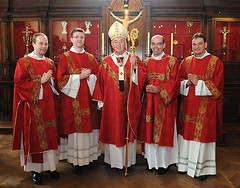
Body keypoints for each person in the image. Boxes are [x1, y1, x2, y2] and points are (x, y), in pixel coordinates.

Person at [92, 21, 146, 171]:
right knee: (113, 131)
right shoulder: (106, 62)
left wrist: (135, 67)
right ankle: (114, 162)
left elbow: (141, 81)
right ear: (111, 44)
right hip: (112, 107)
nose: (118, 44)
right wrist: (103, 104)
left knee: (127, 132)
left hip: (129, 105)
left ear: (126, 42)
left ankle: (128, 162)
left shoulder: (134, 59)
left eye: (121, 41)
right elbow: (100, 85)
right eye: (115, 41)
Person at [12, 33, 60, 185]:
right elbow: (19, 84)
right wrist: (40, 81)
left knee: (50, 137)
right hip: (33, 108)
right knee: (36, 139)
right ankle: (35, 171)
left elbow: (55, 81)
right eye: (40, 43)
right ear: (33, 44)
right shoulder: (23, 62)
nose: (43, 47)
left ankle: (51, 167)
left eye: (46, 44)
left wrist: (50, 80)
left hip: (49, 107)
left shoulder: (50, 62)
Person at [177, 33, 224, 180]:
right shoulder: (186, 61)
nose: (197, 47)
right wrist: (187, 83)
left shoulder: (215, 62)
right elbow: (178, 82)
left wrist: (199, 82)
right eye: (194, 44)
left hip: (206, 108)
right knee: (186, 136)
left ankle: (203, 170)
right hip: (188, 106)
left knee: (202, 138)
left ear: (205, 45)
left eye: (199, 44)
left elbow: (217, 87)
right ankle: (184, 165)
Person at [56, 28, 100, 175]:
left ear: (84, 39)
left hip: (88, 100)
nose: (79, 39)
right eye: (76, 37)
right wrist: (79, 77)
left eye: (82, 37)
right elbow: (60, 80)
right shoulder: (65, 57)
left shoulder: (90, 58)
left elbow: (98, 77)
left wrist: (90, 78)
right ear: (71, 39)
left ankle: (90, 158)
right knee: (77, 131)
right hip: (73, 101)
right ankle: (77, 161)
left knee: (90, 129)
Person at [138, 35, 179, 175]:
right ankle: (151, 162)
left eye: (159, 44)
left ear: (164, 45)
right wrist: (144, 88)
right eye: (153, 44)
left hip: (164, 105)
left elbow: (174, 83)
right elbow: (140, 81)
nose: (156, 47)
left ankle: (163, 163)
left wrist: (159, 89)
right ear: (150, 46)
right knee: (149, 131)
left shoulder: (172, 62)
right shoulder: (145, 62)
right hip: (149, 104)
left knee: (163, 132)